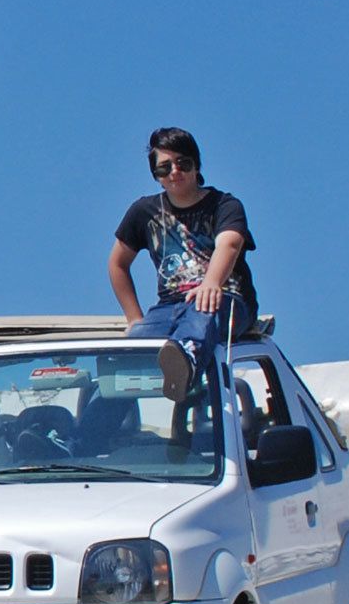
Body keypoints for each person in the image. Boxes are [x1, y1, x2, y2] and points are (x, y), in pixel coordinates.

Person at [109, 127, 257, 402]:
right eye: (165, 168)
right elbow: (117, 263)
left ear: (196, 165)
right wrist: (133, 318)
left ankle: (185, 362)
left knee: (203, 313)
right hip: (169, 307)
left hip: (226, 299)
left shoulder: (225, 204)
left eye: (183, 163)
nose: (174, 172)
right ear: (156, 175)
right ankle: (80, 436)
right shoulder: (144, 212)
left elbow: (230, 243)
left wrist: (211, 283)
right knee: (126, 359)